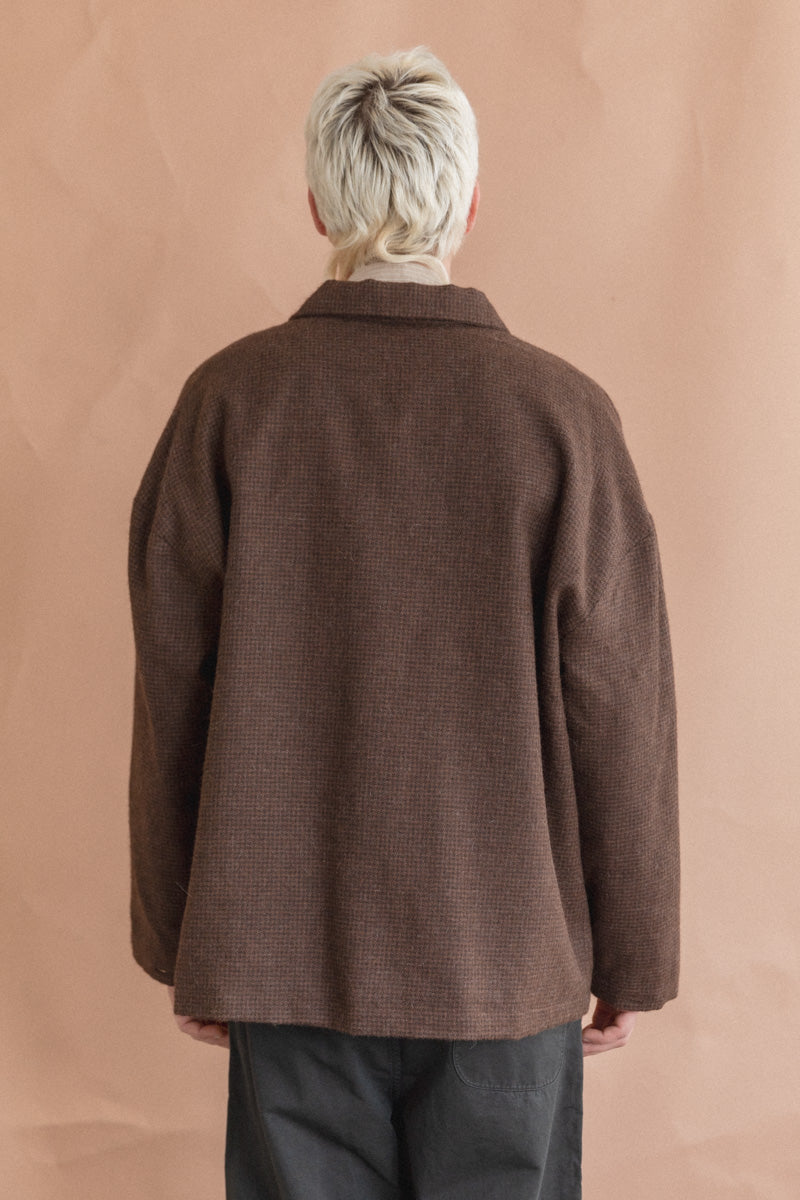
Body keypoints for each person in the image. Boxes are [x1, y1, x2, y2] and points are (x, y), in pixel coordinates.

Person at [127, 45, 679, 1199]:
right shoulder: (562, 420)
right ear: (467, 205)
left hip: (284, 954)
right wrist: (632, 951)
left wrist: (192, 939)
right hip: (505, 966)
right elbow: (619, 703)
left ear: (317, 204)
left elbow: (174, 681)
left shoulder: (228, 406)